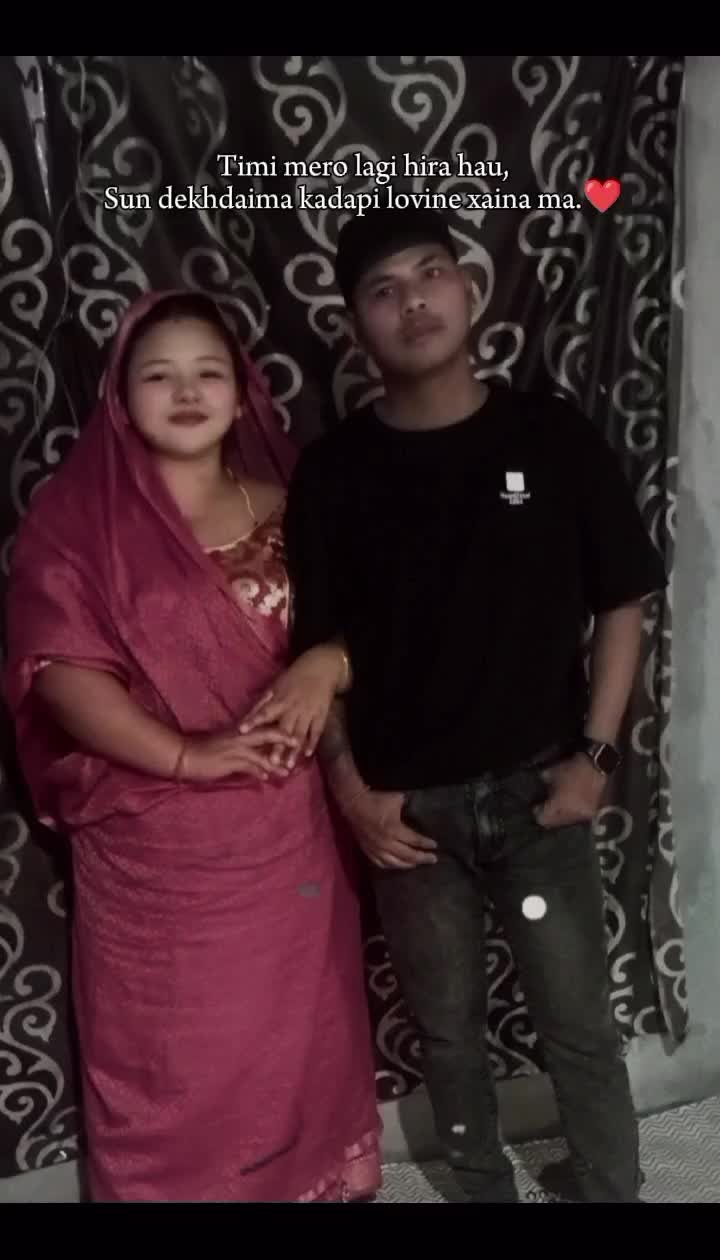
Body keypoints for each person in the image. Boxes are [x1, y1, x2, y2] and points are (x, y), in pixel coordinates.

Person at [246, 208, 668, 1203]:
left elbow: (624, 601)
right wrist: (351, 791)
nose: (412, 302)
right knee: (447, 1030)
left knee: (578, 1021)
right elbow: (318, 654)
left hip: (540, 800)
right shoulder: (335, 473)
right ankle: (482, 1190)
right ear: (355, 322)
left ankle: (610, 1189)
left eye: (429, 273)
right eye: (382, 289)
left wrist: (597, 759)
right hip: (412, 820)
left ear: (469, 289)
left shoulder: (549, 437)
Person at [3, 289, 383, 1204]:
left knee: (298, 1027)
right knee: (174, 1047)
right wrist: (187, 756)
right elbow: (57, 671)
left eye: (208, 372)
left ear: (243, 391)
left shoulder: (296, 507)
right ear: (119, 395)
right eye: (159, 375)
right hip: (152, 848)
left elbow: (379, 624)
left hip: (292, 832)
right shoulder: (77, 526)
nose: (186, 392)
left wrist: (329, 660)